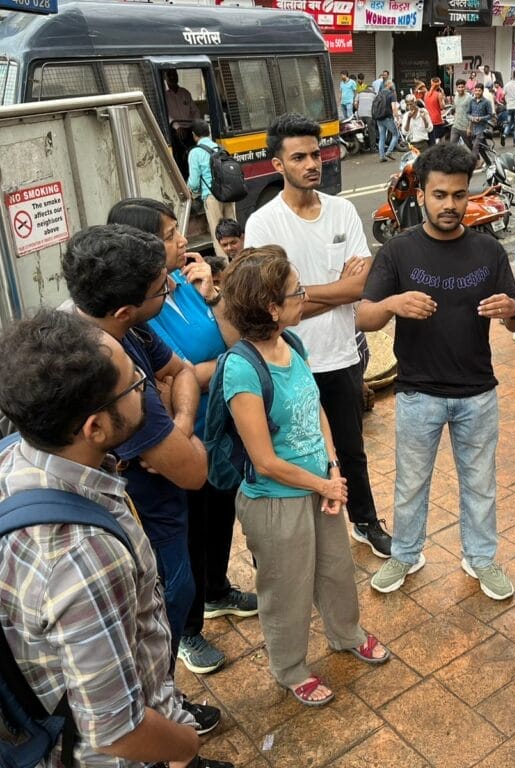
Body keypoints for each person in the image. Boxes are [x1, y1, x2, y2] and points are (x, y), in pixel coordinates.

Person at [0, 308, 233, 768]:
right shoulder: (81, 558)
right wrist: (186, 747)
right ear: (94, 428)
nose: (145, 380)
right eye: (135, 383)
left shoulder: (11, 459)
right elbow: (117, 730)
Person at [60, 226, 219, 737]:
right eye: (160, 288)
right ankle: (165, 726)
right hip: (139, 528)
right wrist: (178, 435)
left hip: (155, 510)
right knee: (152, 625)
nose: (171, 290)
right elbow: (194, 471)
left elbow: (184, 372)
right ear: (124, 310)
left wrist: (179, 427)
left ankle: (164, 704)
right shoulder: (108, 373)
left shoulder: (114, 328)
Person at [220, 246, 390, 707]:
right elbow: (265, 460)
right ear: (272, 308)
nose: (304, 296)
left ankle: (346, 633)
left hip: (319, 488)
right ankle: (291, 668)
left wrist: (332, 467)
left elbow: (314, 409)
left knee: (336, 570)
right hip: (277, 501)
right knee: (286, 589)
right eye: (296, 291)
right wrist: (323, 485)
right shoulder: (241, 369)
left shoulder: (291, 344)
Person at [357, 143, 515, 599]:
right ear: (422, 196)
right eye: (439, 195)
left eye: (458, 195)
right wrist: (392, 303)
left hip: (477, 392)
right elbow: (364, 315)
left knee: (480, 484)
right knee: (410, 483)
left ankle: (481, 558)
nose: (450, 205)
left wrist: (513, 308)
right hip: (417, 393)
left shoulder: (488, 251)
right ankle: (405, 554)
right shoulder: (398, 250)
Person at [106, 199, 257, 677]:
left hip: (218, 429)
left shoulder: (184, 284)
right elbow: (168, 383)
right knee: (184, 539)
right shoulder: (139, 311)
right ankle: (187, 630)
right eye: (171, 234)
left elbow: (233, 344)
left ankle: (216, 591)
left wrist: (212, 295)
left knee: (219, 517)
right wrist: (202, 376)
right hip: (177, 445)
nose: (182, 240)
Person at [245, 114, 391, 557]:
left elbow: (359, 287)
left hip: (342, 356)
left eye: (316, 153)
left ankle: (365, 521)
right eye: (299, 157)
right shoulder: (263, 224)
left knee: (351, 449)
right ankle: (296, 539)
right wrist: (335, 292)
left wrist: (300, 298)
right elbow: (268, 303)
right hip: (288, 363)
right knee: (292, 453)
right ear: (277, 165)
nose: (312, 163)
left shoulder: (343, 211)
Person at [187, 120, 236, 261]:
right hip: (228, 193)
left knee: (218, 234)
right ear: (208, 132)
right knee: (233, 233)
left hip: (211, 196)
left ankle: (225, 269)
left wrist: (192, 191)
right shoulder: (219, 147)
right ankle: (239, 263)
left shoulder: (195, 153)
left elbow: (194, 182)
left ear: (194, 135)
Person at [165, 69, 202, 176]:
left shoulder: (185, 93)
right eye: (169, 76)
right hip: (175, 130)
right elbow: (166, 115)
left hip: (190, 129)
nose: (172, 77)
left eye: (174, 75)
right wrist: (177, 127)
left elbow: (195, 111)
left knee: (193, 155)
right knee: (179, 158)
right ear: (166, 79)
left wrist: (195, 126)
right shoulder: (164, 95)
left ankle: (194, 178)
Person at [375, 80, 401, 162]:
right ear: (388, 85)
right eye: (392, 84)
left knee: (382, 136)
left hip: (379, 118)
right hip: (388, 118)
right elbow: (394, 108)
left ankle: (381, 156)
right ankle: (389, 152)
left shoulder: (379, 93)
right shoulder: (391, 94)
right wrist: (397, 118)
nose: (393, 85)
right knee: (396, 135)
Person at [468, 83, 494, 162]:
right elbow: (467, 113)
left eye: (479, 91)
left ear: (482, 91)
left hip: (482, 129)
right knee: (482, 148)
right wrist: (471, 118)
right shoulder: (471, 101)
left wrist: (481, 118)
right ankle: (490, 163)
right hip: (474, 129)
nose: (477, 92)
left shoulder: (486, 102)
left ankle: (472, 165)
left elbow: (490, 115)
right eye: (476, 90)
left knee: (475, 147)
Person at [449, 79, 472, 147]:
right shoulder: (456, 96)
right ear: (456, 88)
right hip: (456, 126)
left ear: (465, 87)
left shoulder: (469, 98)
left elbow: (472, 113)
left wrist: (469, 128)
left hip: (465, 127)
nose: (461, 89)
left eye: (462, 87)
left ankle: (476, 157)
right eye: (459, 87)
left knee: (470, 146)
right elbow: (455, 108)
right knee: (451, 146)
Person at [424, 77, 446, 144]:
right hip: (437, 120)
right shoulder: (438, 94)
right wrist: (443, 96)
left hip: (428, 119)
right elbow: (442, 107)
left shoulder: (426, 94)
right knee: (441, 139)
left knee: (432, 139)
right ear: (439, 85)